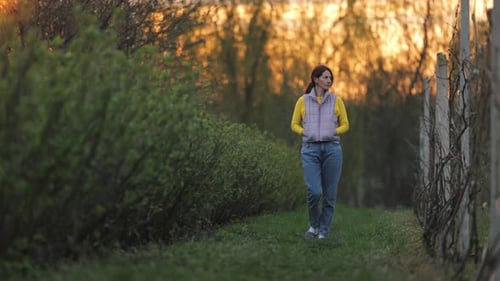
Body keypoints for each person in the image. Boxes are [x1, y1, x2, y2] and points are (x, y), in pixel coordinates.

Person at [290, 64, 349, 240]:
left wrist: (335, 132)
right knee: (314, 191)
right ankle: (313, 226)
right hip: (310, 150)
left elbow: (345, 124)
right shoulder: (303, 101)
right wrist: (303, 132)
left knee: (329, 194)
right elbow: (294, 124)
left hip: (332, 150)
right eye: (325, 77)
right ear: (315, 79)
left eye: (330, 78)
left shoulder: (336, 100)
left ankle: (323, 231)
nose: (329, 80)